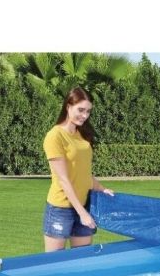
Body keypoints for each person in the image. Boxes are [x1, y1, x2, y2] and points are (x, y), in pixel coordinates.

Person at [42, 86, 114, 252]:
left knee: (82, 260)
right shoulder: (55, 136)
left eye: (88, 111)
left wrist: (102, 189)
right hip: (61, 208)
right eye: (80, 110)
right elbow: (63, 179)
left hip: (84, 203)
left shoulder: (82, 135)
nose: (85, 115)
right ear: (68, 107)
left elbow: (84, 173)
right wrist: (82, 213)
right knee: (54, 262)